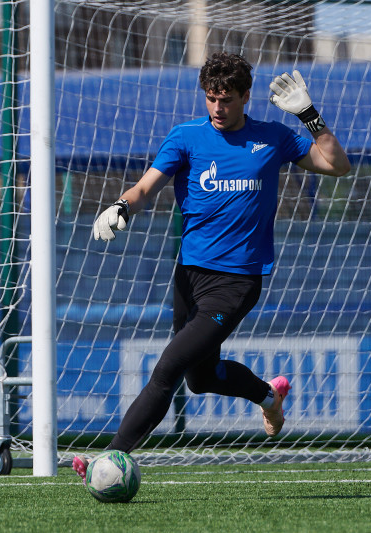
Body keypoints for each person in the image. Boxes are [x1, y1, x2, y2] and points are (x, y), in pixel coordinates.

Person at [73, 52, 350, 478]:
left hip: (236, 283)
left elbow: (337, 165)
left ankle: (111, 457)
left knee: (167, 368)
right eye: (211, 98)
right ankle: (268, 397)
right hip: (189, 276)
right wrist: (121, 206)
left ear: (245, 97)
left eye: (227, 99)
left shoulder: (273, 137)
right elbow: (145, 188)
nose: (218, 107)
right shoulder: (186, 137)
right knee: (199, 379)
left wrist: (308, 115)